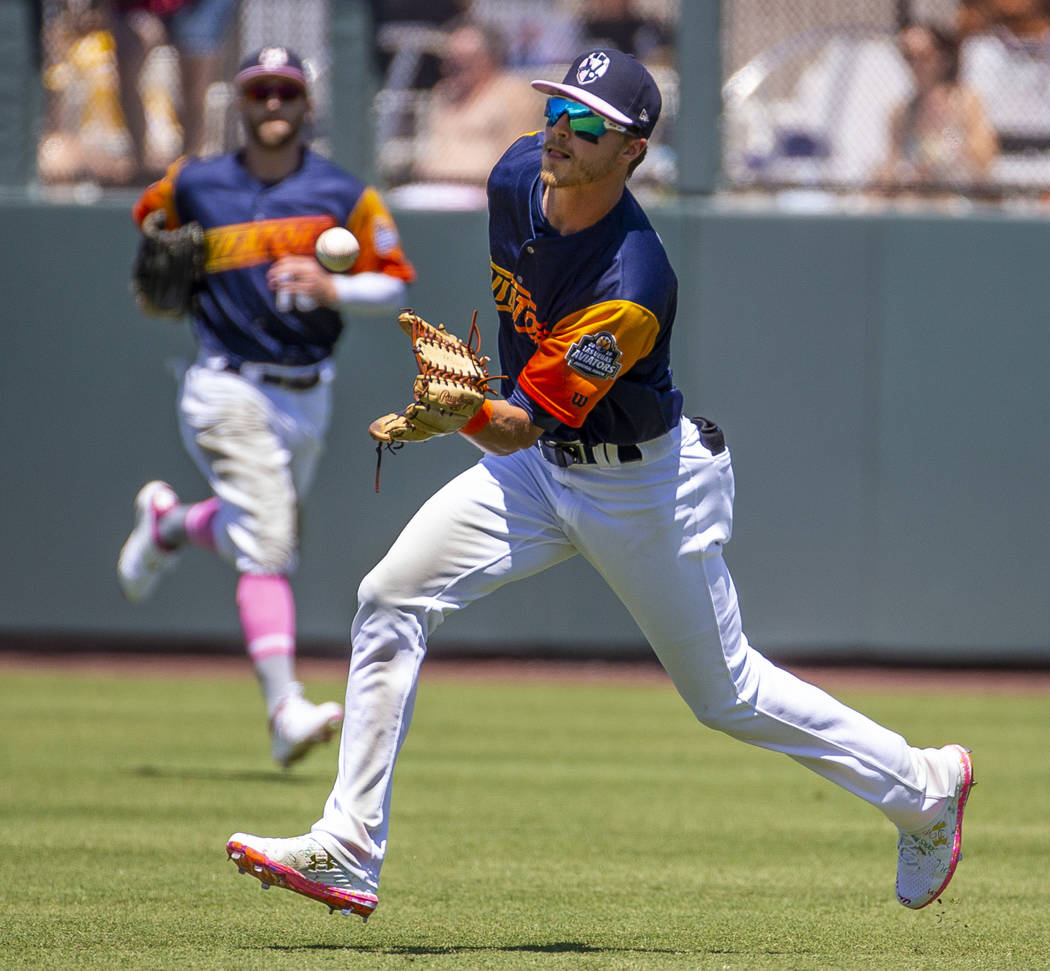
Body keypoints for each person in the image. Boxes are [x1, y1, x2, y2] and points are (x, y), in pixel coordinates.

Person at [224, 49, 973, 919]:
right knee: (390, 592)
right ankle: (350, 844)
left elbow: (518, 421)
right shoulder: (514, 178)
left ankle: (924, 790)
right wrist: (476, 409)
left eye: (588, 125)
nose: (560, 134)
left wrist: (463, 412)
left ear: (634, 153)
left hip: (641, 490)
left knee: (726, 695)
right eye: (555, 111)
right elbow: (522, 427)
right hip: (537, 474)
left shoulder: (633, 282)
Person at [117, 46, 417, 768]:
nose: (274, 104)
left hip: (307, 393)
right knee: (272, 544)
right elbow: (148, 220)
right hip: (226, 384)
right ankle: (285, 709)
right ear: (241, 103)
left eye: (286, 90)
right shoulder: (196, 183)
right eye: (260, 91)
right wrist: (159, 243)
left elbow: (395, 285)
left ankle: (170, 525)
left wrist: (332, 287)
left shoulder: (344, 195)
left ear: (306, 102)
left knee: (262, 534)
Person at [108, 0, 240, 181]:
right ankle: (140, 165)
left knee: (195, 86)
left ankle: (189, 167)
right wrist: (137, 10)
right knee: (127, 69)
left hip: (198, 5)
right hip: (136, 4)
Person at [409, 19, 540, 188]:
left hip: (483, 195)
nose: (452, 69)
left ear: (490, 60)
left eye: (464, 62)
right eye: (449, 61)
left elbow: (519, 162)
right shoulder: (442, 94)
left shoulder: (513, 93)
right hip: (429, 189)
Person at [874, 22, 998, 193]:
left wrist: (949, 141)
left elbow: (985, 159)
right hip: (916, 199)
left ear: (944, 57)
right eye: (908, 57)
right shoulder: (901, 112)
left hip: (958, 197)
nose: (916, 65)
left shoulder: (965, 101)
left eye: (924, 56)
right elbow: (893, 161)